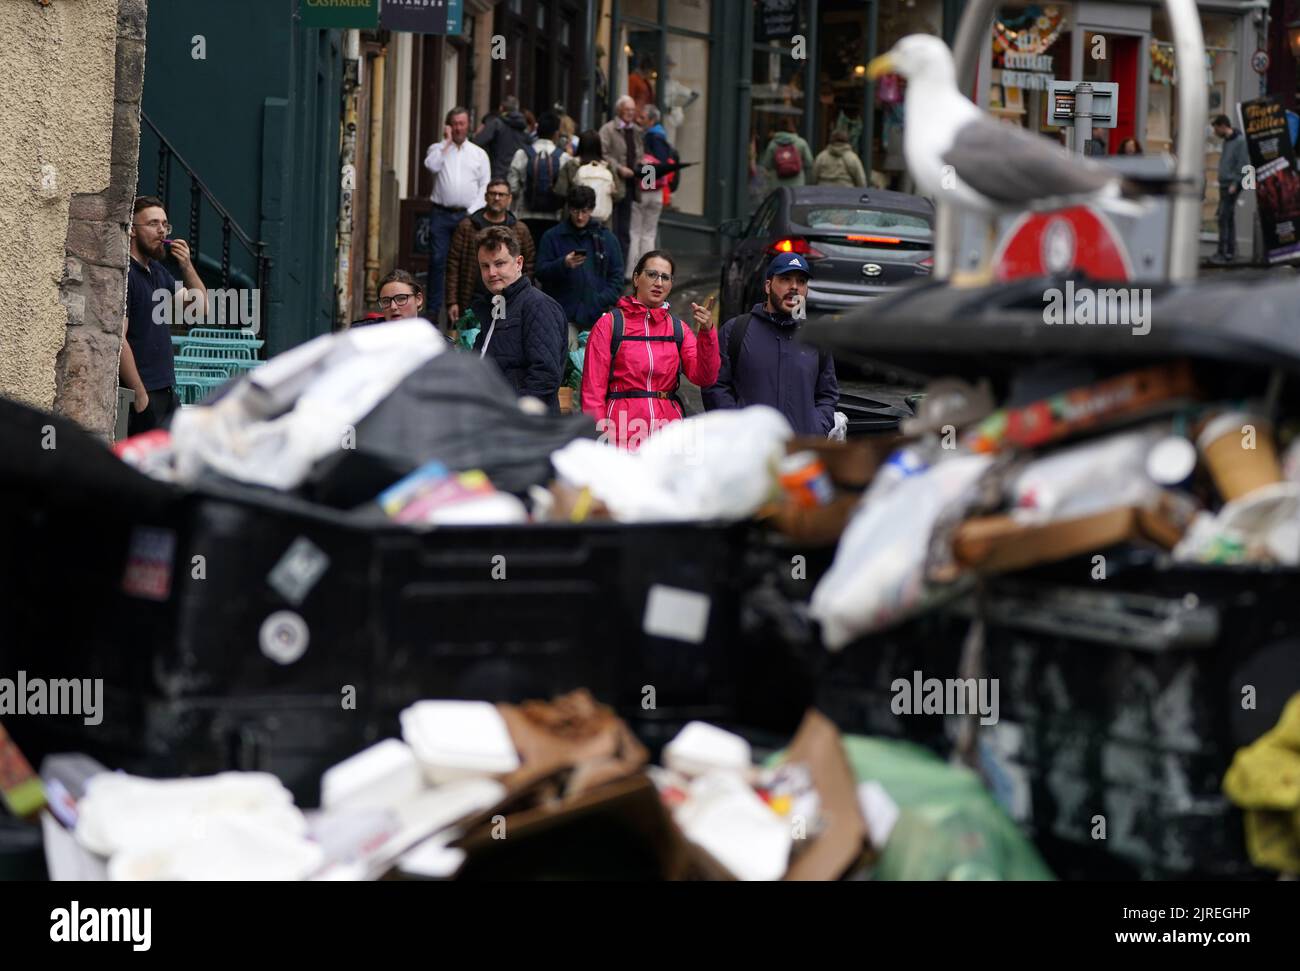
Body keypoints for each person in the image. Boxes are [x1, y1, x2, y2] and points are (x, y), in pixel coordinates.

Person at [581, 251, 719, 450]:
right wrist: (598, 440)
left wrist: (707, 334)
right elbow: (593, 391)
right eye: (652, 274)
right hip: (620, 432)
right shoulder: (609, 324)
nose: (659, 283)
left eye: (665, 277)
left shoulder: (678, 329)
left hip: (668, 433)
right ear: (636, 278)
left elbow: (705, 377)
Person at [703, 253, 838, 437]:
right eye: (785, 279)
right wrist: (735, 429)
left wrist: (816, 427)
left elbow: (827, 395)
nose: (794, 287)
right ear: (768, 286)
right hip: (750, 452)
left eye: (801, 281)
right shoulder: (735, 330)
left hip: (800, 453)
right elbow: (714, 386)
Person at [123, 195, 208, 436]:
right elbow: (120, 339)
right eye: (152, 224)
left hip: (166, 390)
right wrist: (139, 394)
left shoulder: (158, 271)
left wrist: (187, 266)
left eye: (165, 224)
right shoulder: (126, 274)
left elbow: (199, 309)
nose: (161, 231)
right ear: (131, 230)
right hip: (143, 394)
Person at [471, 226, 567, 412]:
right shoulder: (495, 306)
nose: (491, 273)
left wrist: (512, 415)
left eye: (499, 264)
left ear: (519, 263)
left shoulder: (538, 306)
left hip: (524, 429)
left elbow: (544, 376)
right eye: (485, 266)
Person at [424, 107, 491, 325]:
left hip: (467, 216)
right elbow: (431, 166)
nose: (459, 128)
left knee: (467, 263)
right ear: (448, 126)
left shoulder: (479, 154)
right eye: (454, 124)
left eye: (462, 123)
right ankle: (433, 310)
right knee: (437, 261)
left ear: (468, 125)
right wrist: (446, 143)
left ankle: (464, 311)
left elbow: (484, 186)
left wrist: (471, 213)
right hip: (441, 214)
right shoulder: (438, 149)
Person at [536, 185, 624, 351]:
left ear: (591, 210)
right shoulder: (553, 236)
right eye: (575, 211)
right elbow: (540, 273)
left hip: (597, 314)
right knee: (568, 366)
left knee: (595, 366)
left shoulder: (606, 238)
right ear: (569, 209)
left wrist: (600, 299)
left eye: (584, 211)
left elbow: (617, 277)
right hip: (564, 313)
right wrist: (563, 264)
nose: (580, 216)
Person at [445, 179, 535, 328]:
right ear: (486, 197)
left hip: (509, 300)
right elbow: (453, 264)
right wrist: (452, 301)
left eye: (501, 194)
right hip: (472, 297)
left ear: (509, 198)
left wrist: (522, 297)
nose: (497, 198)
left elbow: (529, 266)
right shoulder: (467, 226)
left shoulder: (520, 229)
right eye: (493, 194)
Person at [600, 96, 644, 269]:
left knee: (624, 231)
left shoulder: (637, 131)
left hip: (631, 186)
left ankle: (621, 270)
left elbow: (640, 153)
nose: (631, 114)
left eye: (633, 111)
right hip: (614, 186)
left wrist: (643, 166)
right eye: (628, 110)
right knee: (611, 229)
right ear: (619, 110)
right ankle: (608, 268)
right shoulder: (608, 129)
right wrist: (618, 168)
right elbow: (603, 153)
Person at [508, 111, 567, 244]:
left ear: (537, 129)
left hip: (526, 215)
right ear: (556, 133)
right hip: (554, 217)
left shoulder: (522, 154)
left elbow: (513, 188)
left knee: (527, 256)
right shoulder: (563, 158)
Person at [629, 105, 672, 274]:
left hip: (645, 190)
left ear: (652, 120)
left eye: (643, 117)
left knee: (635, 232)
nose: (639, 120)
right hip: (658, 191)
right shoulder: (662, 137)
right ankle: (649, 270)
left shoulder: (649, 138)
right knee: (648, 233)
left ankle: (633, 270)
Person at [555, 130, 621, 224]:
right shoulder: (607, 167)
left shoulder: (571, 165)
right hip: (602, 222)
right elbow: (620, 194)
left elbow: (560, 191)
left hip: (574, 221)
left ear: (580, 145)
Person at [1211, 114, 1249, 264]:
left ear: (1222, 126)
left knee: (1223, 217)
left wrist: (1235, 183)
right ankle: (1229, 252)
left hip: (1232, 185)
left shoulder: (1240, 141)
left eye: (1216, 129)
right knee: (1228, 217)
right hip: (1225, 184)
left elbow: (1243, 164)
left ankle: (1223, 253)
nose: (1215, 132)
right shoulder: (1227, 141)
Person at [473, 96, 530, 181]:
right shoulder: (523, 126)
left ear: (501, 108)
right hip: (516, 175)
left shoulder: (496, 123)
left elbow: (478, 142)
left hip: (498, 174)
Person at [759, 118, 814, 189]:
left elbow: (767, 164)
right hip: (797, 183)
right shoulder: (801, 143)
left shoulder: (773, 144)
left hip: (777, 183)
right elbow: (809, 162)